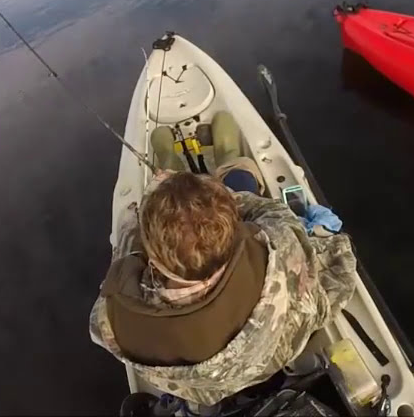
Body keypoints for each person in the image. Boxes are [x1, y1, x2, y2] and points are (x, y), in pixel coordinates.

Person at [88, 111, 357, 409]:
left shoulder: (112, 319)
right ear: (234, 231)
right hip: (271, 359)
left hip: (208, 391)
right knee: (240, 177)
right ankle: (231, 160)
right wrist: (212, 199)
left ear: (152, 253)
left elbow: (125, 252)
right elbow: (271, 212)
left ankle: (170, 155)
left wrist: (158, 198)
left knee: (161, 147)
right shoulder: (277, 247)